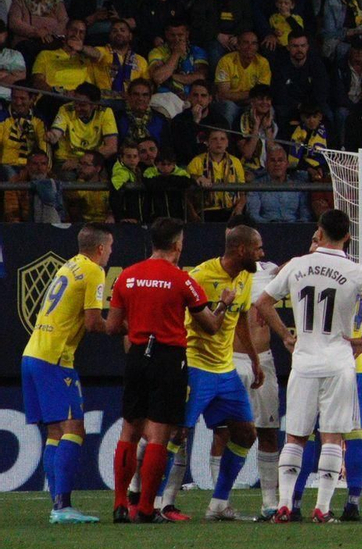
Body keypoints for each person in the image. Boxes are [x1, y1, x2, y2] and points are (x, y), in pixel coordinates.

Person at [255, 210, 362, 524]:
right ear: (347, 236)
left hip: (304, 360)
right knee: (332, 436)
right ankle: (322, 508)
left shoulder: (299, 264)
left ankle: (285, 506)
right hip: (339, 361)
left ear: (320, 231)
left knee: (295, 437)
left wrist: (286, 336)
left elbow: (262, 302)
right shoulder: (355, 270)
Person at [108, 218, 223, 524]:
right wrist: (223, 305)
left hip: (136, 356)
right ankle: (146, 508)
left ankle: (120, 505)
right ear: (177, 245)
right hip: (169, 358)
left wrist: (138, 328)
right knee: (159, 435)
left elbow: (112, 324)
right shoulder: (181, 279)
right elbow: (210, 326)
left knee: (129, 430)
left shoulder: (127, 277)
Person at [162, 224, 265, 523]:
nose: (262, 253)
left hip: (225, 368)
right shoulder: (202, 277)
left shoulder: (246, 275)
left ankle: (219, 503)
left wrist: (254, 359)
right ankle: (161, 502)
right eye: (257, 247)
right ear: (242, 249)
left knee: (246, 433)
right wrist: (223, 303)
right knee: (177, 432)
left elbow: (242, 318)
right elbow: (208, 325)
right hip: (196, 365)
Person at [21, 222, 112, 523]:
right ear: (100, 248)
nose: (110, 252)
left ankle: (58, 505)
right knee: (74, 428)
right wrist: (126, 327)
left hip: (33, 353)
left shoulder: (70, 265)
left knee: (55, 431)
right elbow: (93, 323)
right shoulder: (95, 271)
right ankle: (62, 507)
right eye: (110, 247)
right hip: (55, 359)